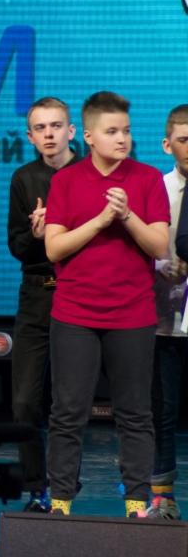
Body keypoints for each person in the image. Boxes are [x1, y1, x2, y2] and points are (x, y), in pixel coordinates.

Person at [44, 91, 168, 517]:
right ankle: (60, 501)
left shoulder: (148, 179)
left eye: (126, 131)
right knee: (68, 412)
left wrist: (128, 215)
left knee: (135, 412)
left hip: (133, 314)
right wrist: (100, 220)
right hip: (74, 315)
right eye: (112, 131)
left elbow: (160, 245)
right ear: (90, 136)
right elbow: (54, 248)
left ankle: (136, 502)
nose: (122, 139)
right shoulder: (66, 181)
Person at [6, 96, 78, 512]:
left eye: (56, 126)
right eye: (40, 128)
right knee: (24, 401)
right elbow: (16, 245)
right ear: (30, 136)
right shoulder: (23, 179)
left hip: (78, 292)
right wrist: (37, 237)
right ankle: (37, 487)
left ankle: (65, 484)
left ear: (71, 131)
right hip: (36, 293)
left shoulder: (89, 175)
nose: (49, 134)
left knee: (70, 400)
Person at [145, 105, 188, 519]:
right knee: (163, 409)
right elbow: (140, 243)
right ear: (167, 144)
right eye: (184, 139)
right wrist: (162, 264)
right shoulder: (155, 188)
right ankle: (163, 495)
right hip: (164, 319)